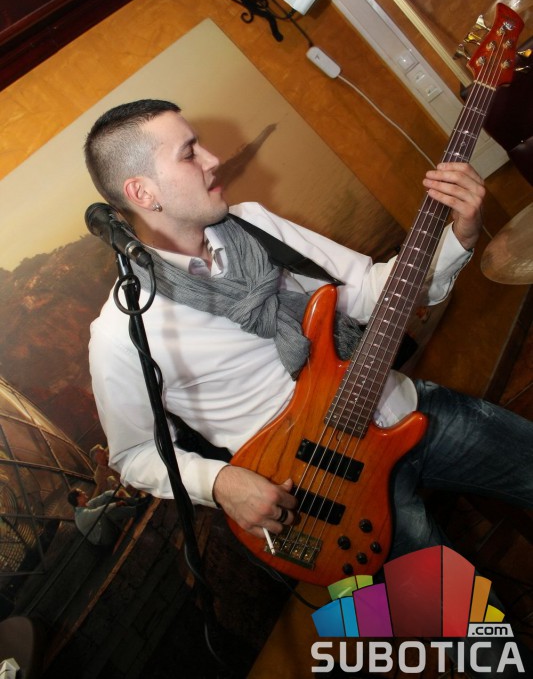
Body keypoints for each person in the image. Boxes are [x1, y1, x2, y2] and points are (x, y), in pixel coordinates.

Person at [84, 100, 532, 671]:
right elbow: (133, 453)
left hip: (401, 411)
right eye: (190, 153)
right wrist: (221, 482)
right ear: (143, 192)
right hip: (330, 496)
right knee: (475, 639)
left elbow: (366, 291)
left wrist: (460, 234)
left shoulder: (254, 224)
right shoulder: (123, 331)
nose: (214, 159)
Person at [67, 487, 144, 547]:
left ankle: (138, 501)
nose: (84, 492)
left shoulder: (86, 505)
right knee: (106, 512)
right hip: (105, 539)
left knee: (108, 498)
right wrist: (116, 504)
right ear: (79, 499)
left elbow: (104, 495)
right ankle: (137, 510)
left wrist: (116, 493)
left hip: (107, 528)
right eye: (81, 492)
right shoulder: (81, 516)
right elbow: (100, 511)